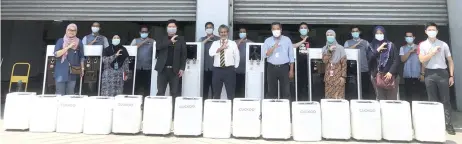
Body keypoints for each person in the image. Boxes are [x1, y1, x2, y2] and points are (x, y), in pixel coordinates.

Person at [418, 22, 455, 135]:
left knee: (446, 100)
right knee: (432, 100)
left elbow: (450, 60)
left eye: (433, 29)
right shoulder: (423, 45)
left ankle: (448, 124)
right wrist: (432, 53)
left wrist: (451, 75)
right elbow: (422, 60)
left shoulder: (443, 44)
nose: (431, 31)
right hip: (429, 73)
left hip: (442, 73)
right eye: (429, 30)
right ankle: (434, 124)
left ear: (437, 31)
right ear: (426, 32)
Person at [155, 19, 187, 97]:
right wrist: (170, 41)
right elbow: (158, 47)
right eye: (170, 26)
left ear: (176, 28)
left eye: (173, 26)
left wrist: (182, 68)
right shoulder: (162, 38)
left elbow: (183, 55)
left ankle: (173, 108)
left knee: (175, 93)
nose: (171, 28)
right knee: (160, 92)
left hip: (175, 70)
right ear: (167, 28)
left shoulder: (181, 39)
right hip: (162, 70)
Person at [263, 22, 295, 100]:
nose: (276, 30)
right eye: (274, 29)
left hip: (284, 67)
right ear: (271, 30)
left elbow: (291, 56)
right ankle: (271, 109)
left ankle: (287, 110)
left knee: (286, 91)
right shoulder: (267, 41)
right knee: (271, 91)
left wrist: (291, 70)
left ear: (281, 29)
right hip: (271, 68)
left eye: (277, 29)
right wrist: (274, 47)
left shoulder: (287, 40)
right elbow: (265, 55)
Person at [367, 26, 400, 100]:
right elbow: (370, 58)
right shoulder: (371, 46)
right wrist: (378, 50)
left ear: (384, 34)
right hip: (377, 76)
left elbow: (396, 60)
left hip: (391, 76)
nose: (379, 35)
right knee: (380, 98)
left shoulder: (391, 45)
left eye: (381, 33)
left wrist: (390, 72)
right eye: (377, 33)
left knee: (391, 99)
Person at [209, 25, 240, 100]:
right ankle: (217, 110)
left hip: (229, 70)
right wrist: (220, 48)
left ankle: (231, 110)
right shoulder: (215, 43)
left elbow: (237, 56)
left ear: (228, 33)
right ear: (219, 33)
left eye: (225, 32)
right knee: (216, 93)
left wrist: (235, 67)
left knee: (230, 93)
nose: (223, 34)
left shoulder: (233, 43)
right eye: (221, 32)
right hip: (217, 70)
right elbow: (211, 53)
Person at [53, 23, 85, 95]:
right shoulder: (61, 41)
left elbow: (82, 56)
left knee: (70, 93)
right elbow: (56, 54)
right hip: (61, 71)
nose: (71, 31)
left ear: (76, 32)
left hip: (73, 71)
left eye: (74, 30)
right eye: (69, 30)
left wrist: (82, 68)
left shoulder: (79, 42)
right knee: (59, 93)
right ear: (66, 30)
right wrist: (68, 47)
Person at [344, 26, 372, 99]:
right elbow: (345, 52)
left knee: (365, 88)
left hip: (364, 68)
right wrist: (356, 45)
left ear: (359, 32)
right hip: (351, 69)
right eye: (353, 31)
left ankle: (365, 101)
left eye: (356, 31)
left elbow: (371, 54)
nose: (355, 33)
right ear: (351, 33)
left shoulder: (365, 42)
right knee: (353, 88)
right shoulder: (347, 42)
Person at [400, 31, 426, 102]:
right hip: (407, 75)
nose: (409, 38)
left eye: (410, 36)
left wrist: (422, 73)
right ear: (405, 38)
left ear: (413, 37)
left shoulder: (419, 47)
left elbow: (423, 61)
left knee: (420, 94)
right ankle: (409, 108)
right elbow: (402, 60)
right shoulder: (402, 48)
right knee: (408, 94)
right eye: (407, 37)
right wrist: (410, 52)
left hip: (418, 74)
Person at [322, 30, 347, 99]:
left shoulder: (340, 48)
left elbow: (344, 63)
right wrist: (329, 51)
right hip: (328, 76)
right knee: (329, 97)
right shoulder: (324, 48)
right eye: (328, 35)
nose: (329, 37)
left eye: (331, 35)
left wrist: (343, 76)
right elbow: (324, 61)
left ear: (334, 36)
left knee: (338, 97)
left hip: (338, 75)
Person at [130, 26, 155, 95]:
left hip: (148, 67)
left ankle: (146, 99)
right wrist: (144, 42)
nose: (144, 33)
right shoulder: (135, 40)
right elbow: (131, 50)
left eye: (146, 32)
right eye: (142, 32)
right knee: (136, 85)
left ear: (148, 33)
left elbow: (156, 52)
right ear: (140, 32)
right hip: (137, 66)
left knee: (147, 85)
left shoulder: (152, 41)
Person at [199, 22, 220, 100]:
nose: (209, 29)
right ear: (205, 29)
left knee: (215, 88)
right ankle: (204, 104)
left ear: (213, 29)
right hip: (205, 68)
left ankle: (214, 104)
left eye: (210, 27)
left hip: (216, 68)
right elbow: (198, 46)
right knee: (205, 88)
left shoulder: (218, 39)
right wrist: (207, 39)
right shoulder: (202, 39)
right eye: (207, 27)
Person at [291, 22, 311, 100]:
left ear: (308, 30)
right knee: (298, 84)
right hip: (298, 65)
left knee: (308, 83)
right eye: (301, 28)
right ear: (299, 30)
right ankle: (298, 99)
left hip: (308, 65)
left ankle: (308, 99)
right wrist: (303, 41)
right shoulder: (295, 39)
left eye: (305, 28)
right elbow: (292, 46)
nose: (303, 29)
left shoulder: (311, 40)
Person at [235, 27, 252, 98]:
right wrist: (239, 42)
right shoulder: (234, 42)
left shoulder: (251, 43)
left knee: (247, 87)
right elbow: (232, 50)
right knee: (237, 87)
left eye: (243, 32)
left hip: (247, 70)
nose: (242, 33)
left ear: (246, 33)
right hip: (236, 70)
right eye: (241, 32)